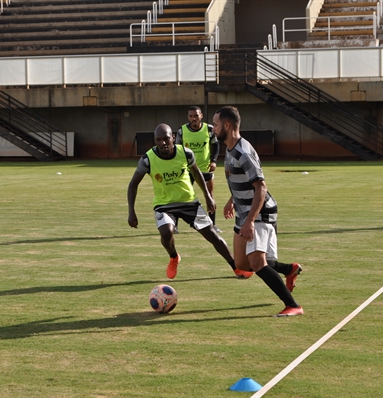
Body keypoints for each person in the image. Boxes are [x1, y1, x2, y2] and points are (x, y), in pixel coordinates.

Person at [127, 123, 254, 279]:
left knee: (212, 235)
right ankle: (174, 257)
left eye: (166, 139)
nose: (163, 143)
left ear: (173, 138)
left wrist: (207, 196)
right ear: (155, 141)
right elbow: (133, 184)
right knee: (166, 232)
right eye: (158, 140)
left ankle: (235, 267)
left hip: (189, 202)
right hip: (164, 205)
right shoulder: (148, 159)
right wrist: (131, 211)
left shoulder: (185, 153)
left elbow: (197, 173)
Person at [213, 106, 304, 317]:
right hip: (243, 210)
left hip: (260, 211)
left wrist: (250, 221)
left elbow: (260, 187)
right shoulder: (229, 148)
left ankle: (293, 305)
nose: (213, 129)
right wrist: (232, 200)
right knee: (242, 264)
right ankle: (289, 269)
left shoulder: (243, 152)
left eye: (216, 125)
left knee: (256, 262)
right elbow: (244, 180)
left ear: (227, 125)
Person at [175, 106, 222, 234]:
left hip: (205, 169)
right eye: (191, 116)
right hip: (187, 170)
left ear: (201, 115)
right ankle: (174, 226)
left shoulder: (209, 129)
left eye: (196, 115)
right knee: (181, 196)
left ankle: (212, 225)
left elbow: (216, 145)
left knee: (210, 196)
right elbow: (177, 150)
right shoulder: (182, 131)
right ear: (188, 117)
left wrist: (214, 161)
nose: (193, 118)